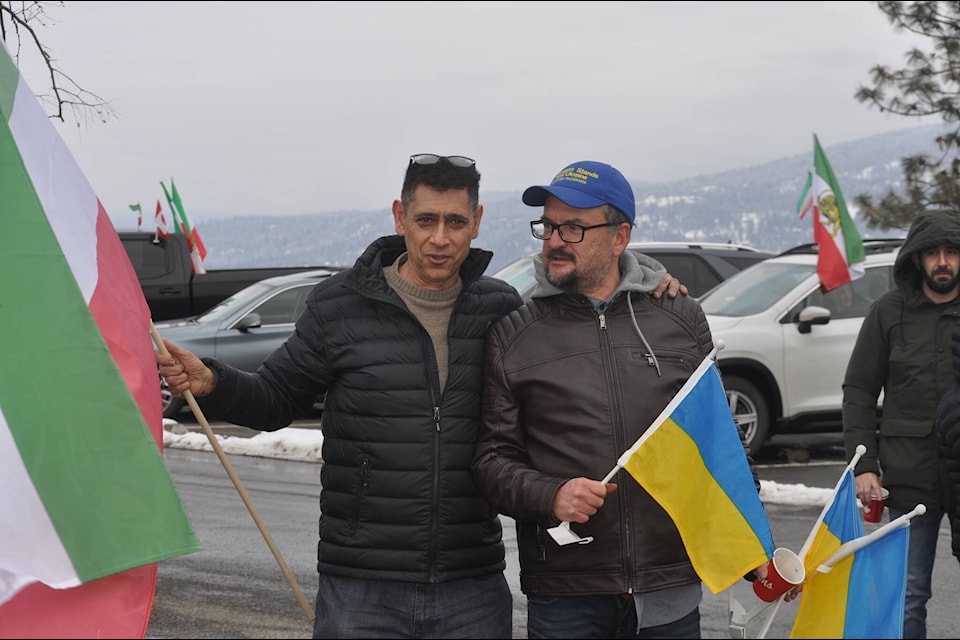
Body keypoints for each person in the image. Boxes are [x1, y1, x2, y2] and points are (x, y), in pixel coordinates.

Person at [156, 154, 684, 639]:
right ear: (399, 216)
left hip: (470, 583)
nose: (440, 238)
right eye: (425, 219)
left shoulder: (499, 309)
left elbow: (583, 333)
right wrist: (212, 383)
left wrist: (653, 285)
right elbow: (274, 399)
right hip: (361, 582)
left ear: (476, 223)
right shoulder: (340, 306)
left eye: (455, 222)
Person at [470, 160, 771, 639]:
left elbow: (718, 442)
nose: (553, 240)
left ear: (620, 236)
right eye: (547, 226)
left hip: (668, 585)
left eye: (573, 227)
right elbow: (492, 461)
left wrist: (751, 542)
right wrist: (553, 495)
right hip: (567, 589)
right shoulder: (514, 334)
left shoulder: (680, 317)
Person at [843, 208, 960, 639]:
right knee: (908, 593)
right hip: (910, 474)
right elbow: (858, 389)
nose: (943, 261)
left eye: (951, 251)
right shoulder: (887, 313)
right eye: (932, 253)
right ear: (916, 259)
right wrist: (864, 464)